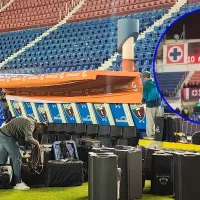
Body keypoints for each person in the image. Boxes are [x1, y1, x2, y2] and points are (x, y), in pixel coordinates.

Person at [0, 116, 48, 190]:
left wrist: (30, 143)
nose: (37, 133)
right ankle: (18, 183)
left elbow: (22, 138)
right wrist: (36, 142)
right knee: (17, 158)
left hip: (2, 133)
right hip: (7, 136)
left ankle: (2, 181)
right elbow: (28, 138)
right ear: (40, 127)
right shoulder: (31, 124)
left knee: (2, 160)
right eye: (39, 132)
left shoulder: (30, 122)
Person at [142, 71, 162, 139]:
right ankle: (159, 134)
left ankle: (150, 135)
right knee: (158, 120)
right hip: (158, 103)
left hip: (150, 104)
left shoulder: (146, 85)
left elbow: (145, 96)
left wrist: (142, 101)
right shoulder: (155, 82)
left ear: (145, 77)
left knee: (150, 120)